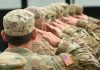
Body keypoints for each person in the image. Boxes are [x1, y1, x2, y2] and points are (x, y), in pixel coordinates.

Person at [1, 9, 100, 70]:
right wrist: (61, 43)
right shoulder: (54, 63)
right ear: (34, 34)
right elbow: (89, 62)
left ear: (3, 36)